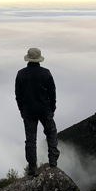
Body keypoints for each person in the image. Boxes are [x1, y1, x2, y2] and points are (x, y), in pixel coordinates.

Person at [15, 47, 60, 176]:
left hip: (28, 110)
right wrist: (52, 108)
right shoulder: (46, 73)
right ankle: (53, 161)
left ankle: (32, 167)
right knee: (51, 133)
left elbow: (18, 95)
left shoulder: (21, 74)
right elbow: (52, 93)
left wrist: (21, 110)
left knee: (31, 138)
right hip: (44, 108)